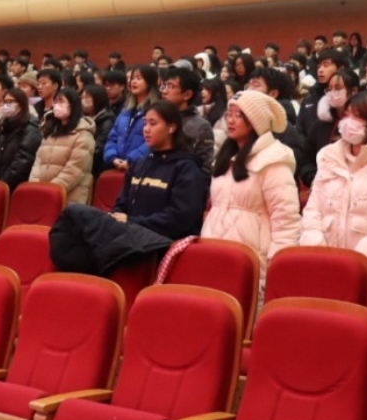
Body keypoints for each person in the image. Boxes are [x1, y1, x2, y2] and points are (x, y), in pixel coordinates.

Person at [299, 91, 367, 294]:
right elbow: (313, 212)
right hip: (323, 272)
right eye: (346, 115)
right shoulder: (329, 159)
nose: (348, 122)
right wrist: (319, 257)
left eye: (357, 116)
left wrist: (351, 268)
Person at [200, 90, 301, 268]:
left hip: (251, 260)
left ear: (256, 121)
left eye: (238, 115)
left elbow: (286, 220)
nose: (230, 120)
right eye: (229, 114)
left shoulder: (273, 161)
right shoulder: (226, 157)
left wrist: (277, 264)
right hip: (214, 251)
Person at [110, 101, 208, 240]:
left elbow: (181, 217)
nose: (146, 129)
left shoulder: (186, 168)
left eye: (153, 123)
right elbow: (121, 203)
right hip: (130, 237)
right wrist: (117, 217)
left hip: (163, 242)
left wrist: (131, 222)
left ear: (171, 128)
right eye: (145, 123)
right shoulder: (139, 164)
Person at [28, 87, 96, 205]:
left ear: (72, 105)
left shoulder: (83, 135)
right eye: (55, 101)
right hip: (42, 194)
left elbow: (74, 170)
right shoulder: (50, 132)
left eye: (61, 101)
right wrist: (35, 186)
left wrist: (51, 190)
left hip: (69, 197)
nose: (57, 105)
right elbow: (38, 162)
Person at [0, 85, 42, 189]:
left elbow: (23, 161)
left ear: (21, 105)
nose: (6, 105)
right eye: (4, 102)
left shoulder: (30, 128)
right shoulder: (2, 126)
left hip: (15, 186)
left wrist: (2, 185)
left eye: (10, 101)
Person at [104, 66, 160, 172]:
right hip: (119, 166)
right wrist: (112, 157)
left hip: (144, 168)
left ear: (149, 82)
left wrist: (130, 160)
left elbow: (155, 141)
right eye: (132, 78)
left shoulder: (157, 110)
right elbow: (113, 137)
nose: (133, 82)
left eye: (138, 78)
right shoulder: (126, 110)